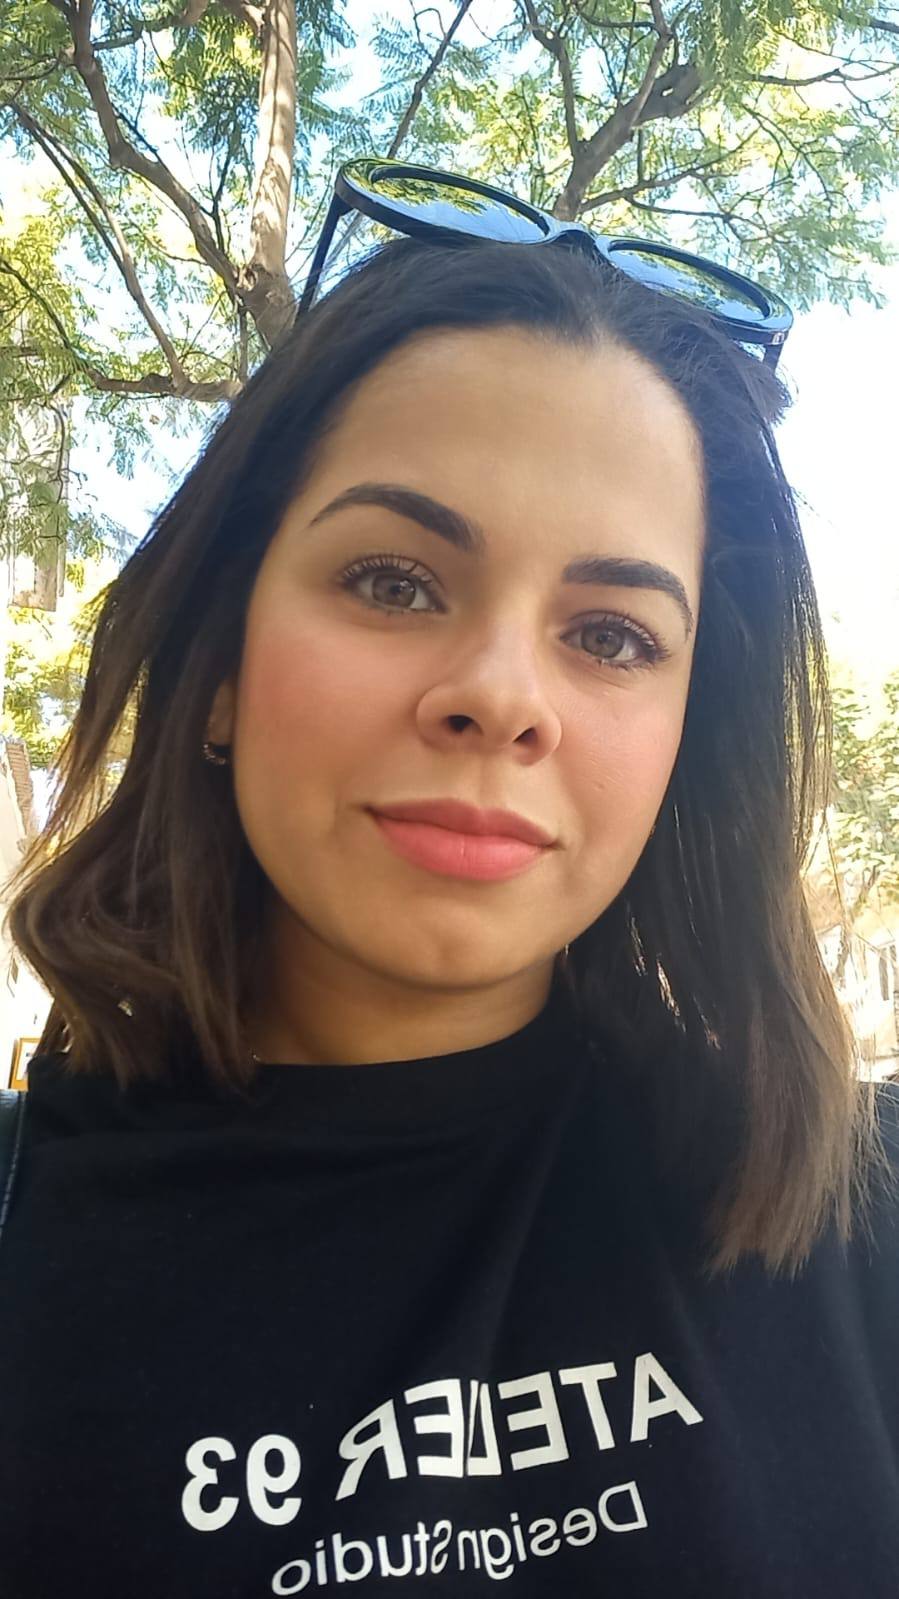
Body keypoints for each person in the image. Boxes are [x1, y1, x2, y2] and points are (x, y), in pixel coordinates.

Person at [0, 162, 896, 1599]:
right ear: (221, 662)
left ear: (687, 735)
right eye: (394, 582)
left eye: (611, 635)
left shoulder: (853, 1204)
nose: (502, 696)